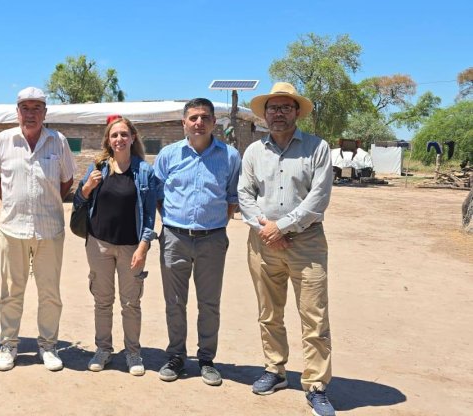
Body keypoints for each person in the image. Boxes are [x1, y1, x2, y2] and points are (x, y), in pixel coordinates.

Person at [239, 82, 336, 416]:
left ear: (297, 112)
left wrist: (283, 226)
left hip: (306, 242)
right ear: (264, 114)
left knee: (314, 316)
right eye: (272, 108)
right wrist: (267, 228)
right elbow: (244, 195)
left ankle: (316, 385)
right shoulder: (253, 152)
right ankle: (275, 369)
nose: (278, 114)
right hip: (262, 242)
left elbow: (319, 197)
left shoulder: (317, 148)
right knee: (269, 312)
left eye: (285, 108)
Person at [153, 98, 241, 386]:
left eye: (205, 117)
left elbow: (231, 198)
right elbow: (158, 193)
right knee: (174, 302)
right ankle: (177, 356)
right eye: (193, 118)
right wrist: (172, 223)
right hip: (174, 238)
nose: (199, 122)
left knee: (209, 303)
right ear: (184, 123)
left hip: (212, 240)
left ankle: (206, 359)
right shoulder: (168, 155)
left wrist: (212, 225)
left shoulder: (229, 156)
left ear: (214, 122)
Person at [0, 86, 76, 371]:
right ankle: (9, 345)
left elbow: (66, 182)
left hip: (49, 231)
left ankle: (48, 346)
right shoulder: (3, 141)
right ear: (17, 112)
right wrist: (16, 204)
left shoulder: (58, 141)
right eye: (25, 108)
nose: (30, 114)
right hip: (13, 229)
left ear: (45, 113)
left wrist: (46, 204)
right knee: (12, 291)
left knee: (49, 292)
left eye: (36, 108)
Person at [72, 117, 159, 376]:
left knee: (131, 302)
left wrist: (144, 246)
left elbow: (150, 216)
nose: (119, 139)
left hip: (131, 246)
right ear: (108, 141)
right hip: (99, 244)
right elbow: (79, 198)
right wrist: (88, 186)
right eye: (114, 135)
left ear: (133, 138)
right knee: (102, 301)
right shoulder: (98, 167)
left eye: (124, 134)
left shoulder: (144, 171)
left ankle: (133, 352)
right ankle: (104, 349)